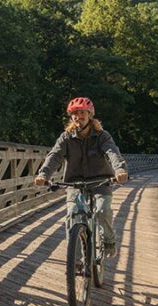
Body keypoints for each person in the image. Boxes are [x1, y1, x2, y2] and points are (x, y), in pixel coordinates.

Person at [34, 97, 129, 258]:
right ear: (71, 117)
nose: (78, 117)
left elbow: (112, 152)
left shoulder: (102, 136)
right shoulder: (66, 137)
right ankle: (76, 260)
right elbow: (54, 156)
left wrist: (119, 170)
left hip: (101, 181)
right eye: (75, 114)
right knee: (72, 214)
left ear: (89, 114)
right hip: (75, 183)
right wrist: (43, 174)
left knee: (102, 210)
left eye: (82, 113)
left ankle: (109, 241)